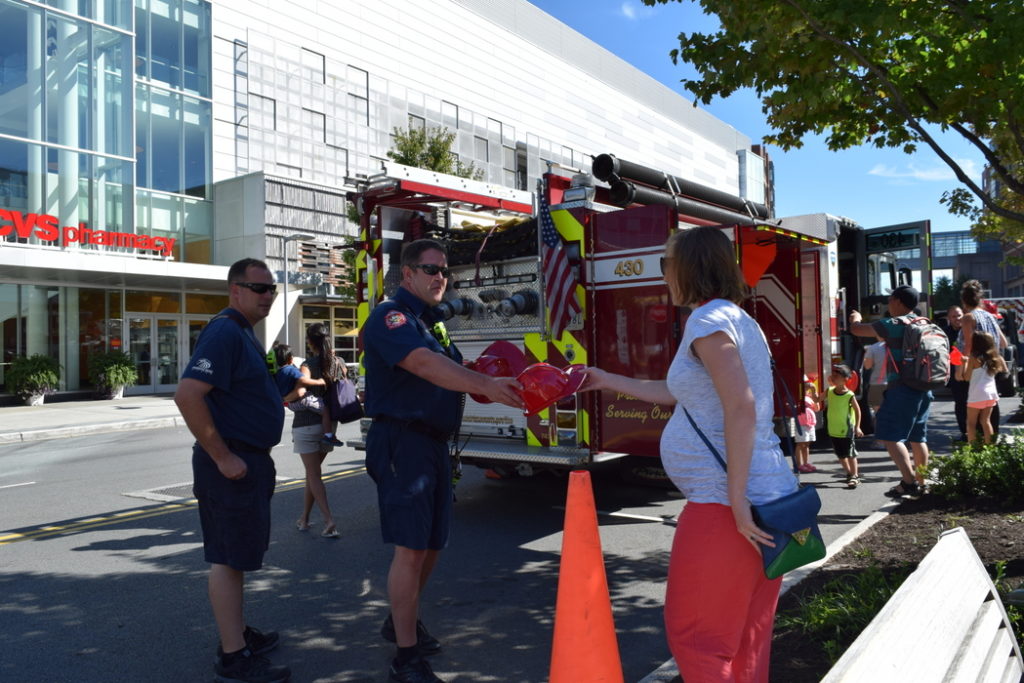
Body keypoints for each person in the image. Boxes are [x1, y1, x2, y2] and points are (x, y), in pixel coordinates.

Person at [582, 226, 798, 682]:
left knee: (698, 638)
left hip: (728, 507)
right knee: (747, 639)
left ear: (687, 268)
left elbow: (741, 404)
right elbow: (682, 392)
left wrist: (736, 499)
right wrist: (603, 378)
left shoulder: (706, 322)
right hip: (765, 501)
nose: (664, 274)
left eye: (666, 263)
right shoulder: (737, 318)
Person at [362, 238, 523, 683]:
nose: (439, 277)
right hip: (403, 443)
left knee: (431, 544)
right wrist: (483, 385)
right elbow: (425, 367)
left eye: (444, 270)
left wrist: (496, 378)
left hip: (432, 444)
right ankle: (406, 658)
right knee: (411, 549)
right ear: (407, 274)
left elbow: (453, 374)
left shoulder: (427, 322)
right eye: (429, 269)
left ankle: (401, 623)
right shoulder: (390, 318)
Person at [174, 258, 290, 683]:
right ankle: (234, 656)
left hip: (249, 460)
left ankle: (237, 633)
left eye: (272, 289)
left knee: (238, 556)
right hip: (232, 465)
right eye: (259, 288)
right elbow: (188, 394)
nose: (267, 296)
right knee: (227, 558)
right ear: (235, 290)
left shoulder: (242, 332)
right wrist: (223, 456)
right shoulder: (225, 330)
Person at [848, 285, 929, 499]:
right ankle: (922, 482)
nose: (889, 304)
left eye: (891, 300)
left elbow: (858, 330)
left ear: (898, 302)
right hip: (924, 386)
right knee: (918, 437)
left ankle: (909, 482)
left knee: (889, 435)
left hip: (903, 387)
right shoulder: (924, 322)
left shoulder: (894, 323)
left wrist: (854, 318)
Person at [290, 322, 341, 538]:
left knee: (313, 474)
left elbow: (299, 393)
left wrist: (284, 397)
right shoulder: (337, 362)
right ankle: (304, 518)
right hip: (329, 426)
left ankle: (329, 521)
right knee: (313, 474)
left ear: (310, 341)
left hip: (306, 425)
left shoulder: (308, 364)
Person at [958, 281, 1007, 438]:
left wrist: (962, 366)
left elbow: (968, 346)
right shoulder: (990, 316)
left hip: (975, 368)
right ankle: (992, 448)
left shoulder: (968, 318)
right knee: (989, 416)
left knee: (972, 419)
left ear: (964, 301)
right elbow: (1004, 342)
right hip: (993, 365)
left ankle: (974, 450)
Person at [959, 330, 1006, 444]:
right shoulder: (995, 358)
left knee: (971, 423)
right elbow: (1003, 371)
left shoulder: (973, 358)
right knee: (986, 421)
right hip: (991, 393)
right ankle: (989, 448)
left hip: (977, 393)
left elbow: (966, 377)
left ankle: (973, 449)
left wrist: (963, 363)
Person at [823, 364, 863, 488]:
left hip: (846, 430)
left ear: (846, 379)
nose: (833, 377)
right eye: (833, 375)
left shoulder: (849, 395)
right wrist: (811, 389)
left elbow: (857, 411)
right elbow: (817, 399)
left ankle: (855, 476)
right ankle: (849, 473)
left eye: (837, 376)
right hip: (833, 429)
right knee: (840, 454)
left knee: (850, 454)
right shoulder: (829, 391)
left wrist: (857, 427)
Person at [271, 343, 326, 414]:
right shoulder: (291, 369)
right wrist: (319, 381)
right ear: (291, 359)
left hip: (289, 404)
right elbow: (303, 380)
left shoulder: (277, 373)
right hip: (300, 401)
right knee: (315, 402)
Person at [943, 305, 969, 441]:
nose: (957, 318)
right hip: (955, 375)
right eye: (953, 316)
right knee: (960, 403)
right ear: (949, 318)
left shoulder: (969, 330)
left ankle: (977, 432)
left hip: (971, 373)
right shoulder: (945, 333)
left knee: (974, 403)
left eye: (959, 315)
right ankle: (964, 432)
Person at [860, 338, 887, 448]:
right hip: (897, 384)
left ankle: (880, 441)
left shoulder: (874, 347)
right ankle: (897, 440)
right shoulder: (899, 345)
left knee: (879, 414)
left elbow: (867, 366)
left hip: (878, 384)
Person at [793, 376, 820, 473]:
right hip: (801, 424)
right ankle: (799, 464)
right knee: (800, 444)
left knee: (807, 444)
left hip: (809, 424)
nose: (806, 387)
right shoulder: (797, 397)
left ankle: (805, 462)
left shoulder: (809, 397)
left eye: (807, 385)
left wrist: (814, 391)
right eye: (804, 385)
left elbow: (817, 408)